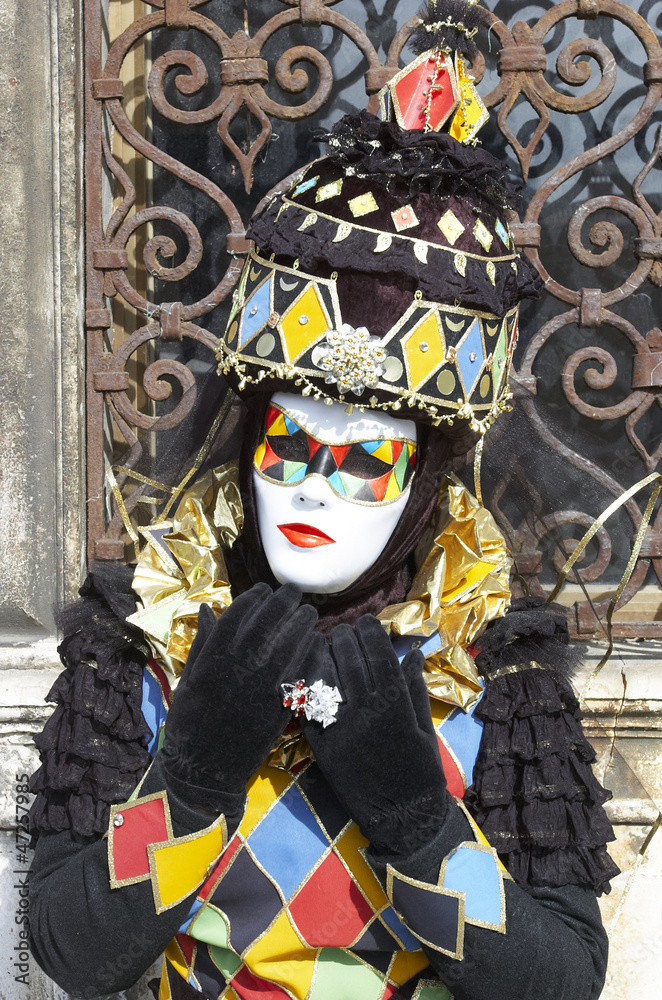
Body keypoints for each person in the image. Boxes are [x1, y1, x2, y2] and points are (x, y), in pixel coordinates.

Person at [28, 3, 619, 999]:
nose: (314, 486)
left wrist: (414, 820)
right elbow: (71, 948)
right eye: (291, 445)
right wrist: (195, 776)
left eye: (364, 462)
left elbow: (558, 979)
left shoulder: (490, 663)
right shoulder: (149, 639)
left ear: (425, 477)